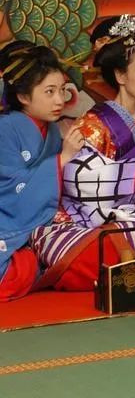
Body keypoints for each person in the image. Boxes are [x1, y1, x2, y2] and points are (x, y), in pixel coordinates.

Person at [30, 15, 135, 289]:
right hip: (85, 216)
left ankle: (125, 260)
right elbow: (77, 179)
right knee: (82, 249)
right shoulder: (93, 124)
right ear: (120, 75)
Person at [0, 43, 85, 300]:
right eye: (49, 92)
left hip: (44, 223)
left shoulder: (53, 132)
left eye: (61, 90)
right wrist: (63, 159)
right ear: (23, 96)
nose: (59, 100)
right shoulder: (6, 129)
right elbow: (10, 190)